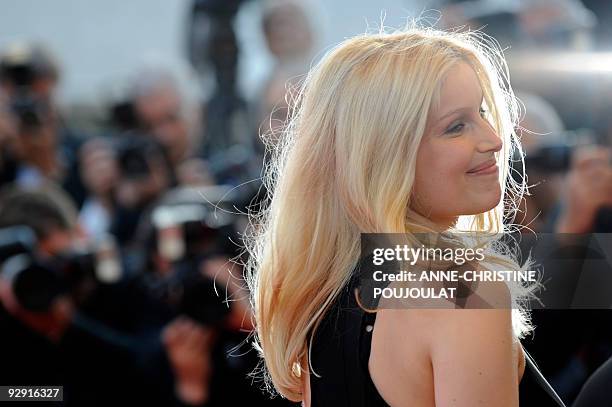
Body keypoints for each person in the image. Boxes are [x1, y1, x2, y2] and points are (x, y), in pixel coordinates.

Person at [244, 26, 565, 406]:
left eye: (481, 112)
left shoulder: (325, 292)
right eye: (456, 126)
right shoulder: (461, 295)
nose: (494, 139)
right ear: (386, 156)